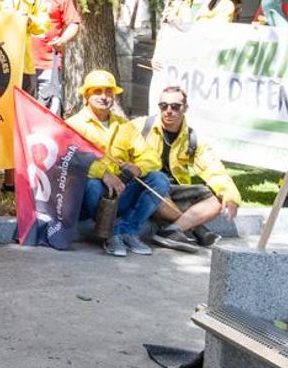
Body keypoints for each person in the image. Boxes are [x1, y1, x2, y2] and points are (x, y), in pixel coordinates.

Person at [68, 70, 169, 257]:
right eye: (97, 91)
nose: (104, 97)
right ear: (86, 97)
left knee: (160, 180)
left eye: (108, 92)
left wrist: (138, 168)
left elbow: (151, 157)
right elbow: (70, 161)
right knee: (92, 186)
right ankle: (110, 235)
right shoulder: (74, 125)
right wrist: (103, 174)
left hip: (122, 190)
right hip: (90, 196)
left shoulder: (124, 125)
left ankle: (128, 231)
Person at [141, 85, 241, 251]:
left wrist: (230, 195)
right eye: (163, 106)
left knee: (217, 200)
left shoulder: (193, 138)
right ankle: (195, 229)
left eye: (175, 106)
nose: (168, 111)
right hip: (147, 186)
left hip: (175, 190)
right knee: (154, 189)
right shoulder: (141, 126)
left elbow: (213, 168)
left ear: (185, 108)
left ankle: (171, 231)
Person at [25, 0, 81, 115]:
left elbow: (73, 23)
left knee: (49, 111)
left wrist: (62, 40)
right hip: (22, 63)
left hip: (48, 64)